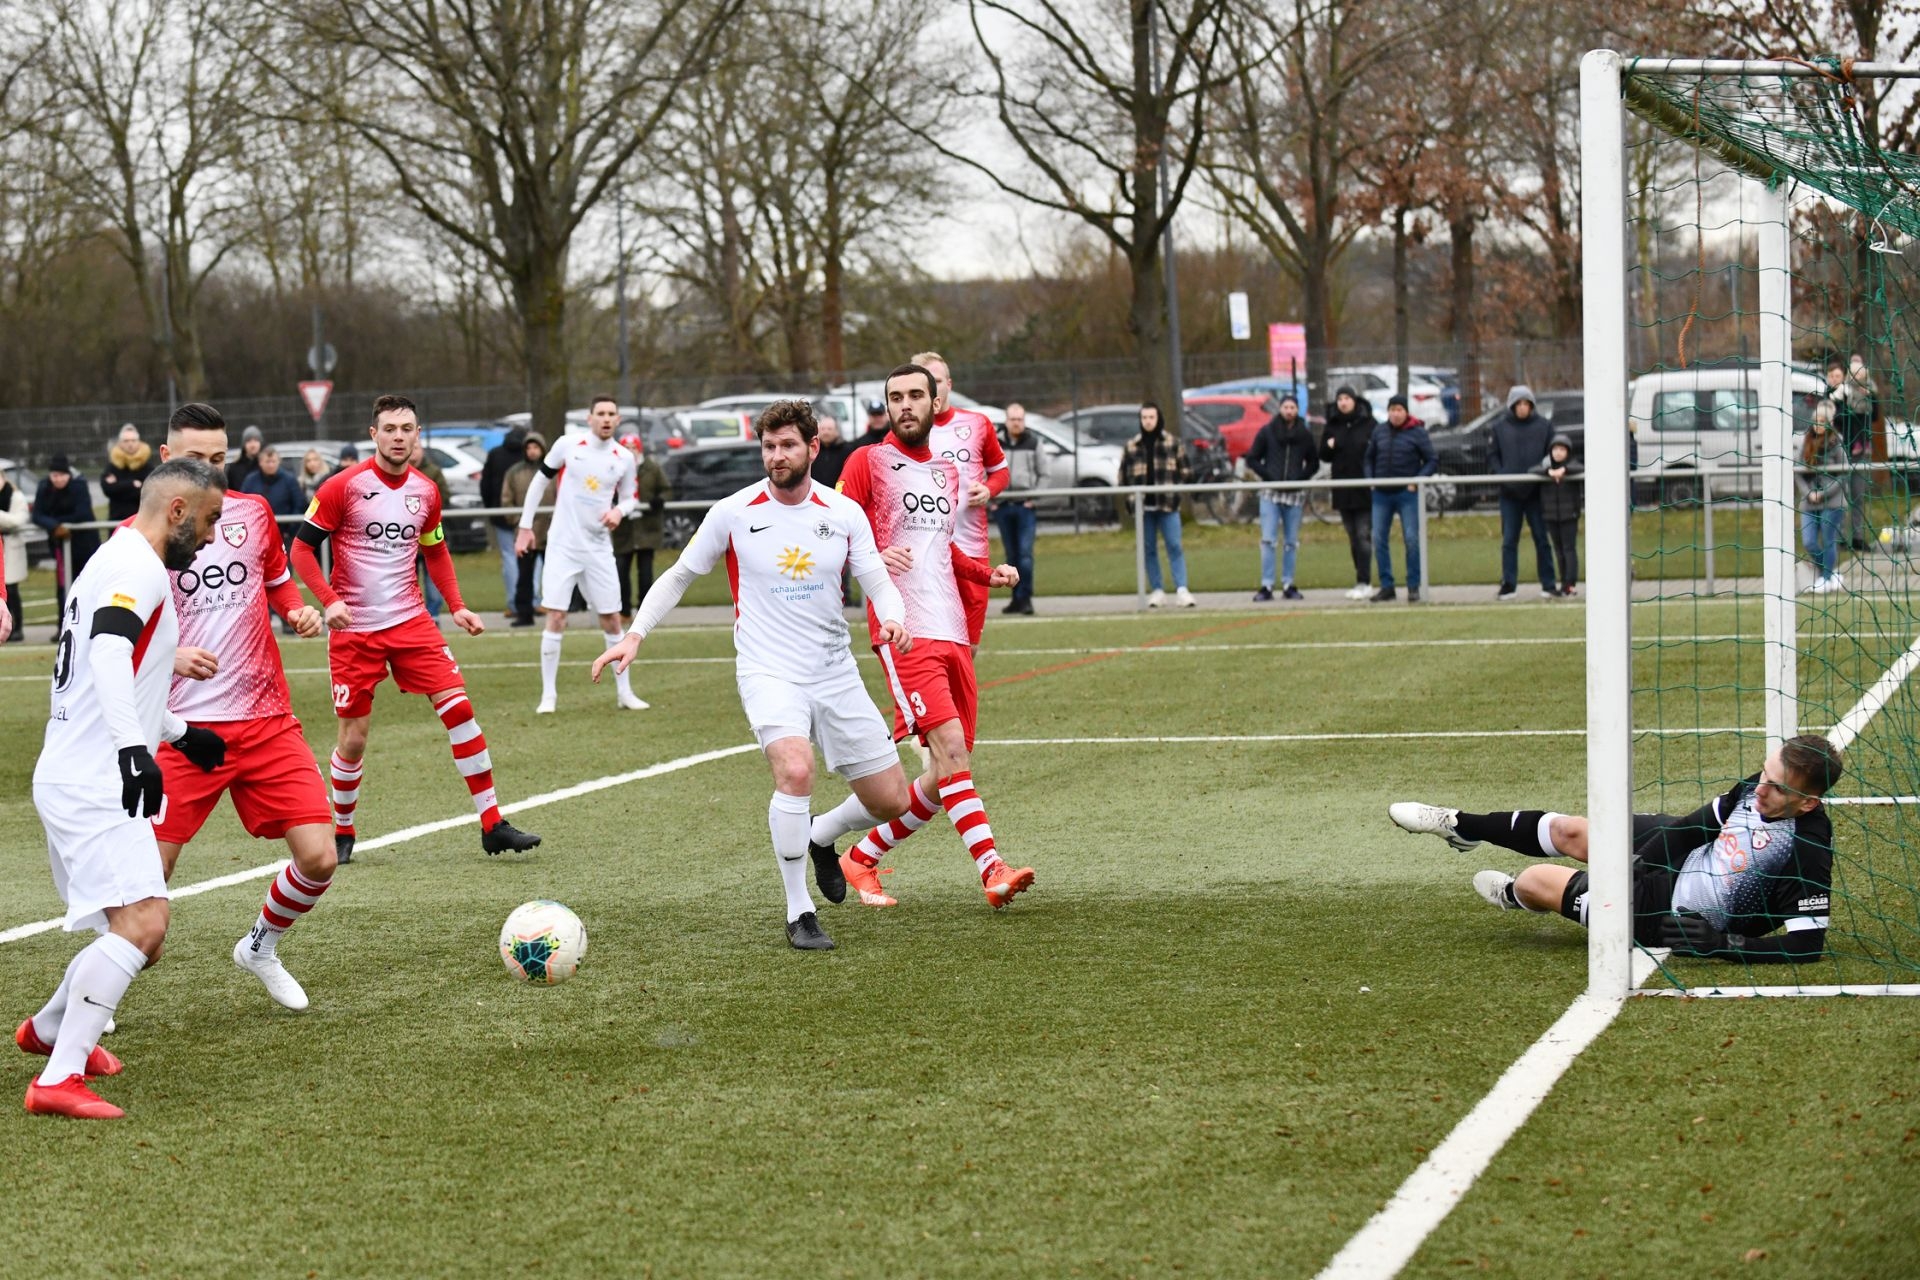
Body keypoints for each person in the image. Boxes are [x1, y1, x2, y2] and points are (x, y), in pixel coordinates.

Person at [593, 400, 915, 951]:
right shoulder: (733, 512)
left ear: (813, 448)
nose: (777, 455)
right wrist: (634, 634)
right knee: (795, 768)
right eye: (769, 446)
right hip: (768, 670)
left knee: (893, 801)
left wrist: (893, 618)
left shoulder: (843, 513)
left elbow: (877, 581)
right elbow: (678, 575)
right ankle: (799, 911)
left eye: (788, 445)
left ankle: (820, 835)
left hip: (835, 669)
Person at [18, 457, 227, 1119]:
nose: (214, 534)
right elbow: (108, 652)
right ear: (177, 512)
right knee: (142, 923)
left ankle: (51, 1029)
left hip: (79, 770)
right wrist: (138, 752)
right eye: (210, 519)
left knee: (143, 933)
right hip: (94, 777)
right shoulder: (138, 568)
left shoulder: (113, 557)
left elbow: (117, 669)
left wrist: (177, 730)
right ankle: (59, 1077)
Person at [290, 394, 541, 864]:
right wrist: (329, 602)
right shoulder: (342, 487)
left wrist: (459, 605)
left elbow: (436, 551)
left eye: (407, 428)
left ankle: (492, 824)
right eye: (390, 428)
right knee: (354, 738)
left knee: (461, 710)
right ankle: (342, 830)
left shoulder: (426, 491)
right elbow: (300, 550)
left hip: (411, 622)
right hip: (356, 630)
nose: (399, 436)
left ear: (417, 434)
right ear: (374, 434)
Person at [145, 404, 333, 1011]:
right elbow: (115, 632)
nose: (211, 471)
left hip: (266, 719)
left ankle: (260, 945)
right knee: (144, 894)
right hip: (182, 732)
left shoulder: (250, 514)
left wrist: (296, 609)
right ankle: (96, 993)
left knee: (320, 857)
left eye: (220, 460)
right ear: (166, 458)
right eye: (196, 460)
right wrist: (170, 656)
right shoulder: (138, 537)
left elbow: (276, 578)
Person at [824, 362, 1033, 909]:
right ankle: (992, 869)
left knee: (946, 774)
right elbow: (829, 529)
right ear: (888, 406)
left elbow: (945, 548)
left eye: (917, 394)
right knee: (950, 753)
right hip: (904, 632)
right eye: (897, 397)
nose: (907, 405)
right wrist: (863, 555)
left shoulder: (945, 471)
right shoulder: (867, 461)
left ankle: (861, 858)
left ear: (936, 400)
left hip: (953, 631)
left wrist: (989, 574)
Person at [1388, 734, 1843, 964]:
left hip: (1670, 910)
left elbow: (1807, 946)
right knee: (1573, 832)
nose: (1761, 790)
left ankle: (1515, 896)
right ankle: (1460, 825)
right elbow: (1690, 830)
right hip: (1684, 855)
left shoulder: (1807, 850)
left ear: (1808, 802)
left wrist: (1722, 943)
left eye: (1777, 788)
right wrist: (1638, 863)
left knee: (1535, 881)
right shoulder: (1756, 788)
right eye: (1764, 775)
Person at [514, 395, 646, 713]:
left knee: (612, 619)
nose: (605, 418)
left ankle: (624, 693)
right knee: (556, 616)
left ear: (617, 420)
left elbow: (631, 498)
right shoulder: (567, 445)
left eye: (611, 414)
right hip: (563, 546)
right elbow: (538, 481)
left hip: (599, 548)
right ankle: (549, 697)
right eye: (599, 413)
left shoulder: (624, 458)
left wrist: (619, 511)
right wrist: (525, 526)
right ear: (589, 418)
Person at [915, 351, 1011, 646]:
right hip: (925, 547)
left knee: (970, 641)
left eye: (938, 381)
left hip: (970, 545)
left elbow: (1000, 472)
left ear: (950, 384)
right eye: (926, 383)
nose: (934, 388)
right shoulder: (908, 431)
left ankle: (961, 692)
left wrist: (988, 489)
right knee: (933, 637)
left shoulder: (978, 423)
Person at [1244, 393, 1318, 601]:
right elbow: (1253, 458)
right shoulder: (1267, 432)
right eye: (1285, 407)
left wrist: (1299, 479)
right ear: (1280, 409)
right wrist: (1269, 476)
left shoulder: (1304, 434)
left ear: (1297, 410)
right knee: (1268, 540)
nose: (1289, 411)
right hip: (1271, 494)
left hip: (1294, 496)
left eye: (1293, 407)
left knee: (1291, 542)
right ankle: (1266, 585)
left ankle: (1288, 583)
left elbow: (1313, 463)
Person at [1487, 385, 1558, 601]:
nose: (1523, 408)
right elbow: (1492, 456)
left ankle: (1549, 584)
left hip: (1536, 493)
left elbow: (1553, 452)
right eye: (1519, 404)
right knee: (1509, 540)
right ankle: (1508, 585)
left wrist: (1543, 471)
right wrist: (1503, 476)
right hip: (1509, 494)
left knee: (1541, 538)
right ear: (1512, 405)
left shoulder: (1544, 426)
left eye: (1526, 403)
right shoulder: (1499, 428)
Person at [1362, 395, 1435, 603]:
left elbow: (1431, 460)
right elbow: (1369, 458)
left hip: (1407, 494)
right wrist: (1370, 480)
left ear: (1406, 412)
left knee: (1412, 539)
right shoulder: (1379, 431)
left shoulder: (1418, 433)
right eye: (1392, 409)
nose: (1395, 414)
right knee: (1378, 539)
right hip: (1381, 494)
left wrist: (1417, 481)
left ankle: (1413, 585)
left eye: (1399, 410)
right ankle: (1387, 586)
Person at [1122, 402, 1195, 608]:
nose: (1147, 421)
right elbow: (1123, 477)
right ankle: (1157, 590)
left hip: (1168, 506)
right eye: (1144, 417)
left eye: (1151, 417)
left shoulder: (1172, 443)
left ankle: (1182, 589)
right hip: (1144, 508)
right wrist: (1131, 502)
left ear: (1158, 418)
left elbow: (1186, 472)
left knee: (1174, 545)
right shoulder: (1132, 446)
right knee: (1148, 549)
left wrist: (1175, 490)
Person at [1319, 386, 1375, 599]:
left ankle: (1365, 581)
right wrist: (1330, 446)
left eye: (1347, 398)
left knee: (1363, 535)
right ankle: (1360, 578)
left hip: (1364, 490)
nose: (1343, 402)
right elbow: (1323, 455)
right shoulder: (1333, 426)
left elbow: (1375, 450)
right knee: (1353, 537)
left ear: (1355, 400)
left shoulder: (1369, 424)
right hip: (1343, 490)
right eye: (1339, 399)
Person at [33, 454, 101, 619]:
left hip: (85, 546)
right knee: (63, 588)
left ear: (68, 475)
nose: (58, 479)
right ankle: (63, 625)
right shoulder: (44, 487)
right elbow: (37, 514)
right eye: (54, 475)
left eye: (62, 475)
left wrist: (62, 524)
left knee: (87, 587)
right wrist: (55, 526)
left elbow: (83, 513)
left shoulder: (79, 486)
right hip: (60, 547)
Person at [614, 431, 671, 627]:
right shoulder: (614, 467)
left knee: (645, 572)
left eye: (633, 448)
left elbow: (666, 488)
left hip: (647, 528)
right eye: (626, 448)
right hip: (624, 529)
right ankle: (623, 610)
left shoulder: (652, 468)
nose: (630, 452)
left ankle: (644, 612)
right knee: (621, 571)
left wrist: (659, 500)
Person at [1823, 356, 1876, 550]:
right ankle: (1840, 538)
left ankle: (1859, 537)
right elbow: (1833, 419)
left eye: (1838, 376)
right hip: (1837, 454)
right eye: (1832, 376)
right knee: (1840, 497)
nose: (1835, 379)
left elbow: (1874, 414)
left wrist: (1871, 396)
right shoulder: (1828, 399)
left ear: (1844, 377)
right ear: (1828, 378)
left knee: (1857, 495)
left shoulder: (1855, 394)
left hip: (1858, 452)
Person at [1799, 400, 1850, 595]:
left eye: (1822, 421)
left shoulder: (1836, 443)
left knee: (1829, 539)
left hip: (1833, 501)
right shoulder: (1806, 443)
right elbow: (1797, 472)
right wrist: (1808, 493)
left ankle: (1826, 578)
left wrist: (1824, 492)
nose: (1818, 424)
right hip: (1809, 501)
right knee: (1809, 542)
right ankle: (1827, 572)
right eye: (1816, 421)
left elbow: (1843, 473)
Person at [995, 403, 1042, 614]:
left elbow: (1045, 474)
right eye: (1013, 419)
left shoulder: (1033, 442)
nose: (1016, 423)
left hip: (1025, 505)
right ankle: (1015, 598)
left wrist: (1035, 498)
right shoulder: (995, 442)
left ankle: (1026, 598)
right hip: (1003, 505)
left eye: (1020, 419)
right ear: (1006, 421)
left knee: (1024, 554)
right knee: (1011, 555)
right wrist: (992, 498)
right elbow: (985, 470)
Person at [503, 432, 550, 627]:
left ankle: (557, 615)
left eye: (536, 447)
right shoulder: (514, 472)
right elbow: (506, 499)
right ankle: (524, 613)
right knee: (524, 576)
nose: (532, 451)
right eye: (529, 448)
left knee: (554, 576)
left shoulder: (552, 471)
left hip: (550, 531)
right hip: (525, 533)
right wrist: (518, 522)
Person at [482, 424, 528, 617]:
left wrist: (491, 508)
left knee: (509, 558)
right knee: (530, 559)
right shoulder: (528, 456)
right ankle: (532, 600)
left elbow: (485, 484)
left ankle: (513, 602)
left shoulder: (495, 454)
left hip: (500, 514)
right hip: (527, 516)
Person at [1531, 432, 1584, 597]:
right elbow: (1532, 470)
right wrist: (1549, 472)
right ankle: (1563, 583)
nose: (1558, 453)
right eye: (1555, 449)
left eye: (1562, 449)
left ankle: (1570, 583)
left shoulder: (1572, 466)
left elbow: (1580, 468)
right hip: (1551, 516)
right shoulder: (1547, 468)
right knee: (1559, 550)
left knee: (1569, 549)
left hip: (1569, 515)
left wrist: (1565, 470)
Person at [409, 438, 450, 619]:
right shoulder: (398, 473)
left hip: (427, 537)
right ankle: (412, 619)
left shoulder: (434, 472)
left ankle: (433, 618)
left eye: (417, 448)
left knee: (433, 582)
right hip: (406, 541)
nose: (414, 451)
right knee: (408, 584)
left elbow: (444, 497)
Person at [242, 445, 305, 546]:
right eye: (267, 462)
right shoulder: (251, 481)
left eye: (273, 461)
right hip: (257, 535)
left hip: (284, 535)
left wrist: (290, 530)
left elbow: (299, 504)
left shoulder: (289, 480)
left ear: (278, 461)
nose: (271, 465)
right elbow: (243, 504)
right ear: (260, 463)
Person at [100, 423, 154, 524]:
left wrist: (119, 487)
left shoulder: (147, 467)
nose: (130, 444)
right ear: (120, 443)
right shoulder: (113, 466)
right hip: (116, 522)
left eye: (133, 440)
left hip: (141, 522)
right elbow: (107, 488)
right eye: (126, 441)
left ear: (139, 442)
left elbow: (149, 492)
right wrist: (132, 484)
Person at [0, 465, 27, 641]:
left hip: (11, 546)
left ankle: (17, 627)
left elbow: (19, 520)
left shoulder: (15, 496)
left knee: (11, 589)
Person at [810, 414, 855, 489]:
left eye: (829, 429)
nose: (826, 432)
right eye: (823, 429)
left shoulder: (847, 450)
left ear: (836, 431)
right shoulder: (812, 450)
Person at [226, 425, 265, 491]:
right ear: (244, 444)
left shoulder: (266, 466)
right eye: (249, 441)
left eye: (256, 440)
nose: (253, 445)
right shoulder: (234, 468)